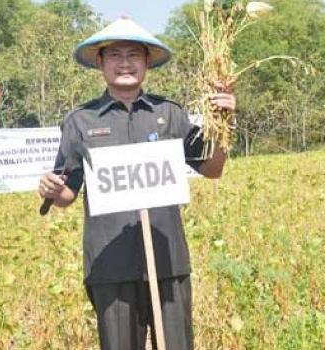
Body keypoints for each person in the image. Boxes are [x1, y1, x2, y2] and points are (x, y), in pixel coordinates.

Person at [37, 17, 235, 350]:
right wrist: (53, 190)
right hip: (110, 264)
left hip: (167, 260)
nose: (125, 62)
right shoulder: (80, 121)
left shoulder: (171, 114)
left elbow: (212, 169)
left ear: (146, 63)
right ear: (100, 63)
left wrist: (223, 123)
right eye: (114, 55)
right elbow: (68, 190)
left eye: (133, 54)